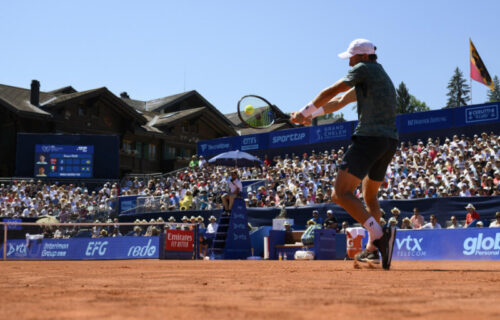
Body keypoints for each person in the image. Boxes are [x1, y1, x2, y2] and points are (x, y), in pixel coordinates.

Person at [291, 38, 398, 269]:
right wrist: (308, 117)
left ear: (361, 56)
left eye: (351, 57)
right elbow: (339, 101)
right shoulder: (378, 75)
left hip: (369, 138)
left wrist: (304, 110)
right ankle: (372, 250)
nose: (349, 62)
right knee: (369, 196)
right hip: (388, 142)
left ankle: (379, 234)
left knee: (340, 194)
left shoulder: (363, 69)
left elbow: (333, 90)